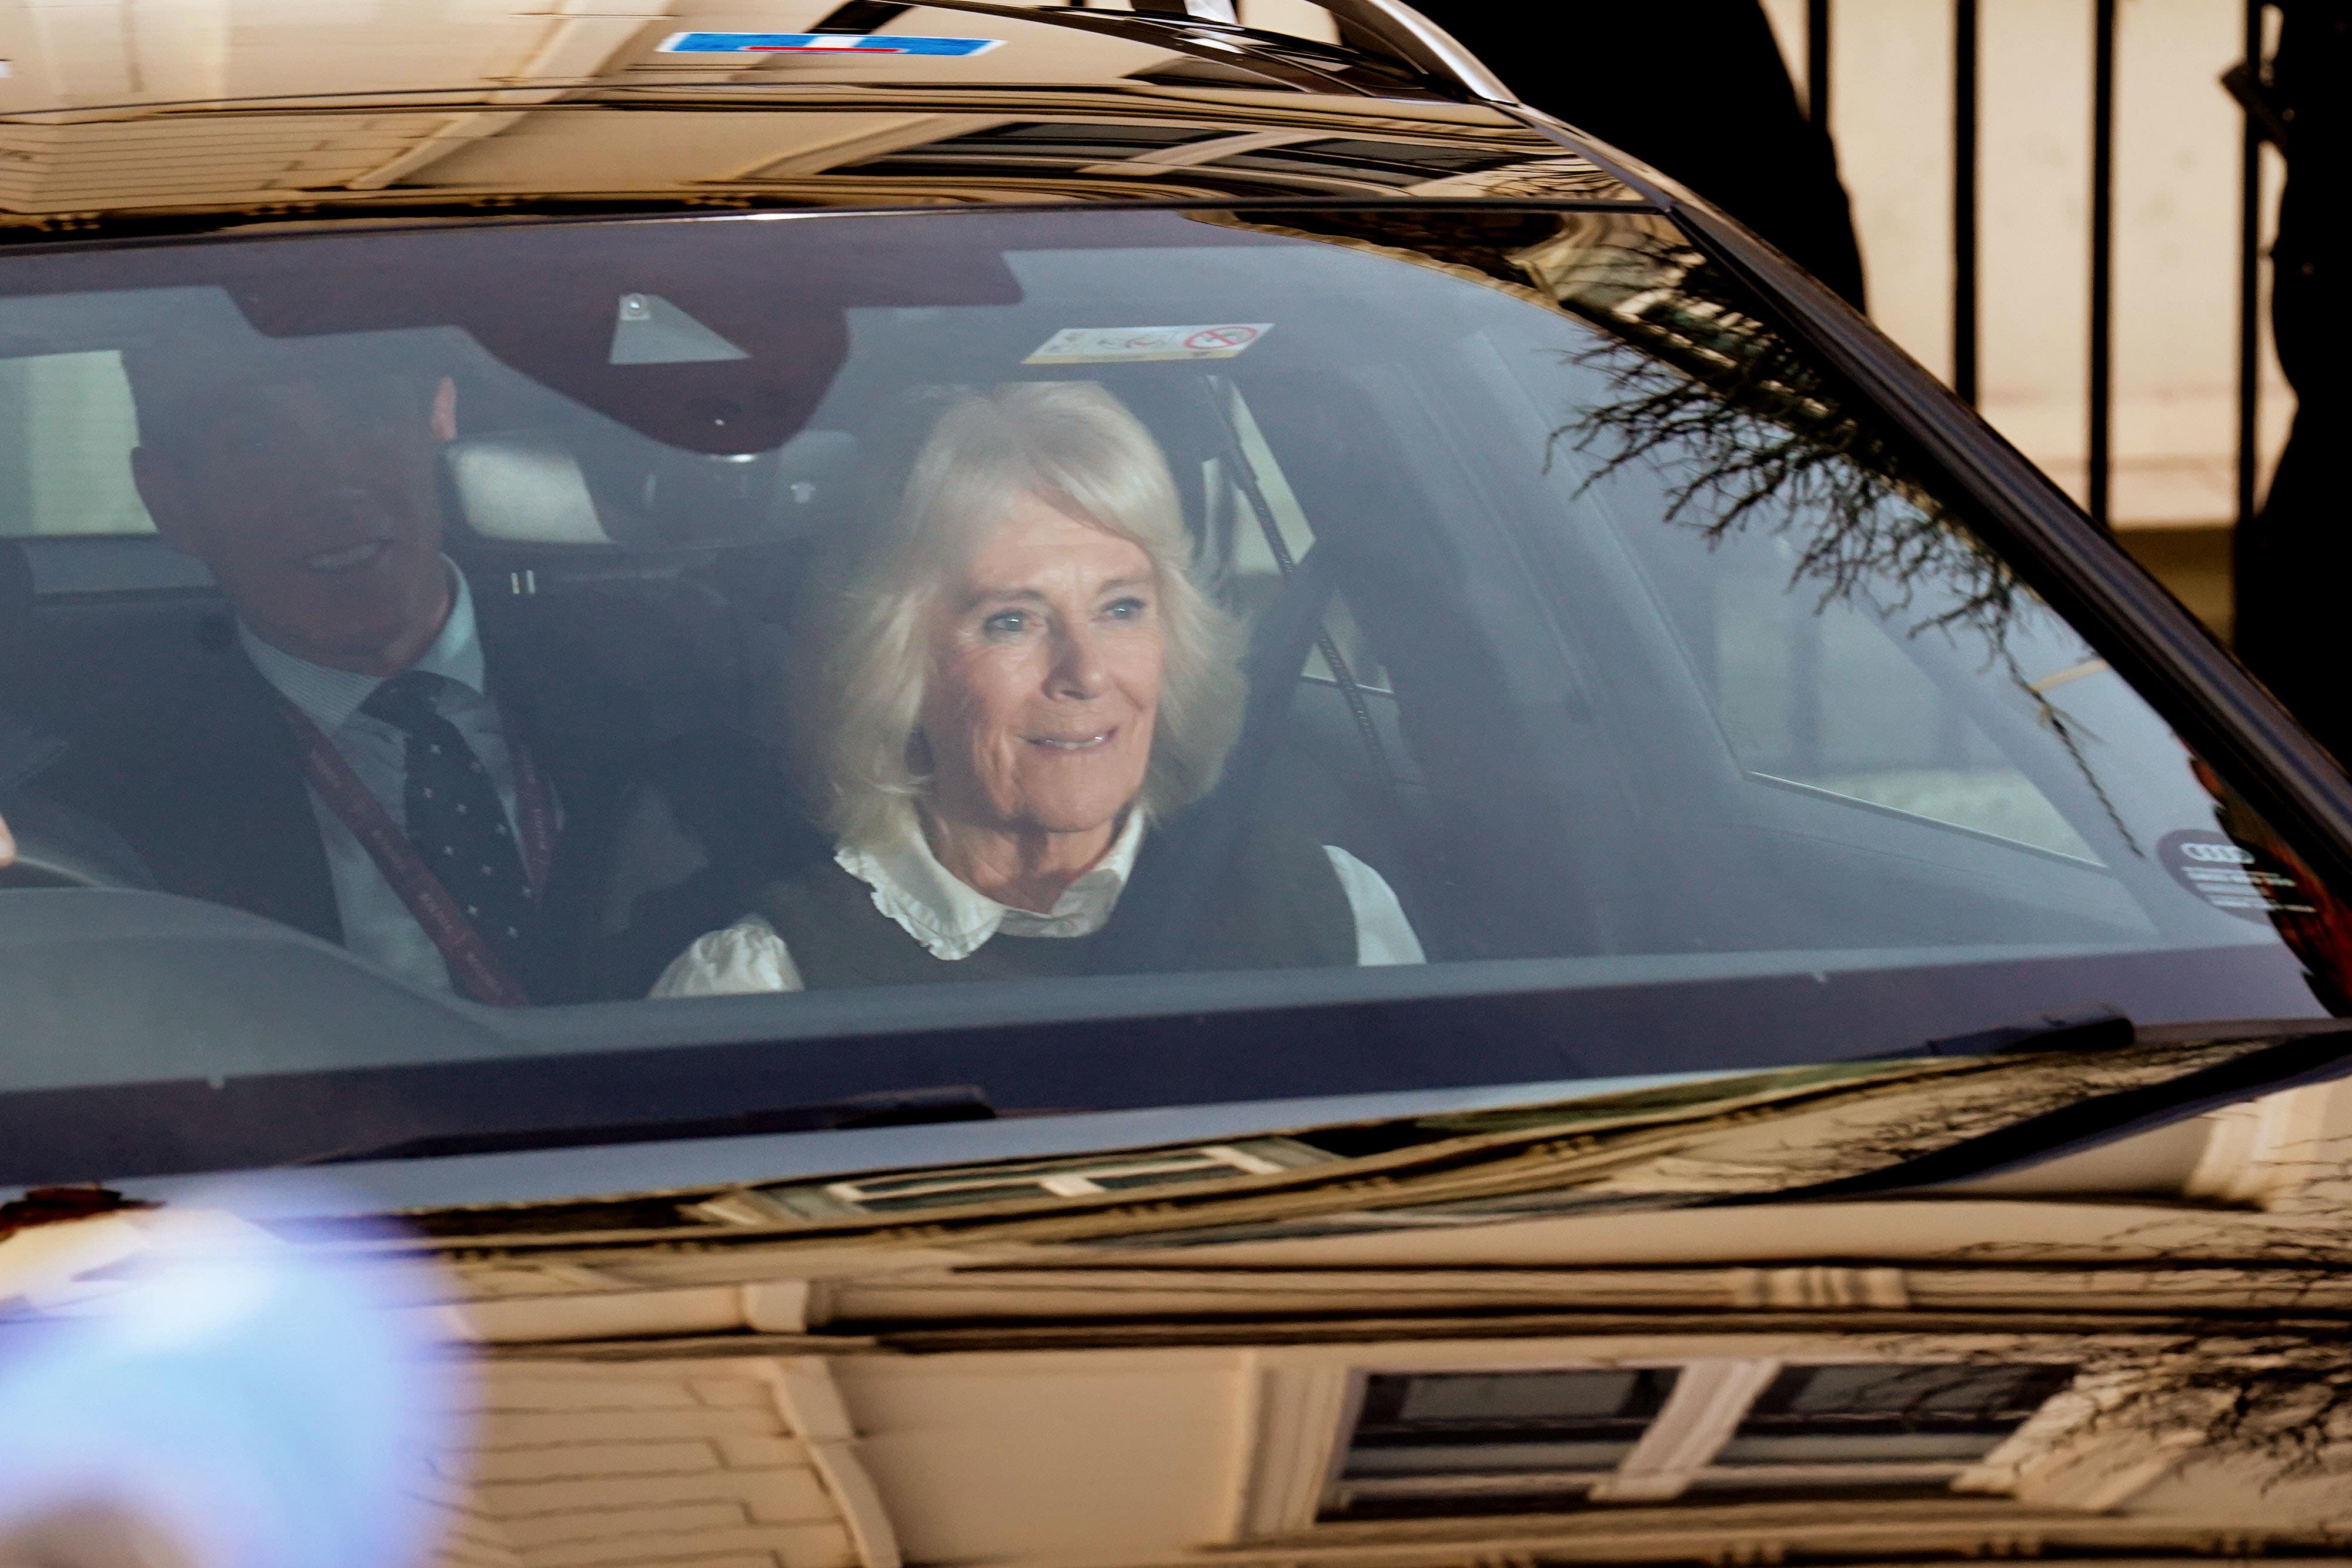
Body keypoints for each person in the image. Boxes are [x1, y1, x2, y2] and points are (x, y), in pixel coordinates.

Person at [653, 382, 1422, 995]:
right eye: (1012, 619)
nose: (1086, 672)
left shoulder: (1330, 907)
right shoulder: (766, 986)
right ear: (895, 666)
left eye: (1121, 608)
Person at [38, 342, 596, 1002]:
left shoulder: (681, 679)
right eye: (254, 442)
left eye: (364, 416)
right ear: (168, 500)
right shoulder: (89, 803)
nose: (330, 484)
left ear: (439, 419)